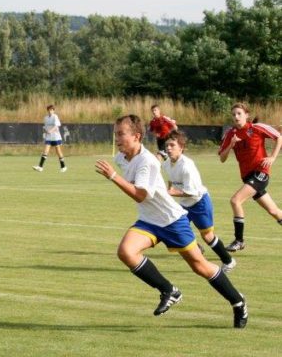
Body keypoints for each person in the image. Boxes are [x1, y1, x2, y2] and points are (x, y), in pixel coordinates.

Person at [95, 115, 247, 328]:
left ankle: (238, 301)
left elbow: (140, 195)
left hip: (172, 221)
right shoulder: (122, 158)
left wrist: (113, 177)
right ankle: (169, 290)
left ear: (136, 136)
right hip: (149, 221)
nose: (117, 139)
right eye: (115, 134)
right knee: (126, 252)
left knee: (200, 266)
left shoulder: (146, 161)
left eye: (121, 134)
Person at [162, 130, 236, 272]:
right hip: (184, 204)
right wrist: (169, 190)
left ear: (181, 148)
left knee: (207, 236)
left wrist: (170, 193)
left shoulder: (187, 166)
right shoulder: (166, 164)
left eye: (172, 145)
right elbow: (171, 179)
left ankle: (229, 261)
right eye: (167, 145)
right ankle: (196, 248)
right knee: (173, 228)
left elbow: (192, 192)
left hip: (199, 202)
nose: (168, 148)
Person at [218, 103, 282, 252]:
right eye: (233, 114)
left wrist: (272, 157)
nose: (236, 117)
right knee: (274, 211)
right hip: (247, 177)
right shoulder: (230, 134)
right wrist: (231, 145)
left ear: (246, 115)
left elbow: (279, 137)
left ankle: (239, 240)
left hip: (260, 173)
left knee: (235, 200)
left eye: (239, 113)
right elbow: (222, 158)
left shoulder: (256, 128)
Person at [33, 104, 67, 172]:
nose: (50, 111)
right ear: (47, 110)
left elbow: (56, 126)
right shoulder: (46, 118)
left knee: (58, 152)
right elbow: (45, 127)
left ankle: (63, 166)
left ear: (53, 111)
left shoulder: (55, 117)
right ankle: (40, 167)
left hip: (56, 137)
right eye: (49, 110)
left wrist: (51, 131)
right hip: (49, 137)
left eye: (51, 110)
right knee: (45, 151)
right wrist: (46, 131)